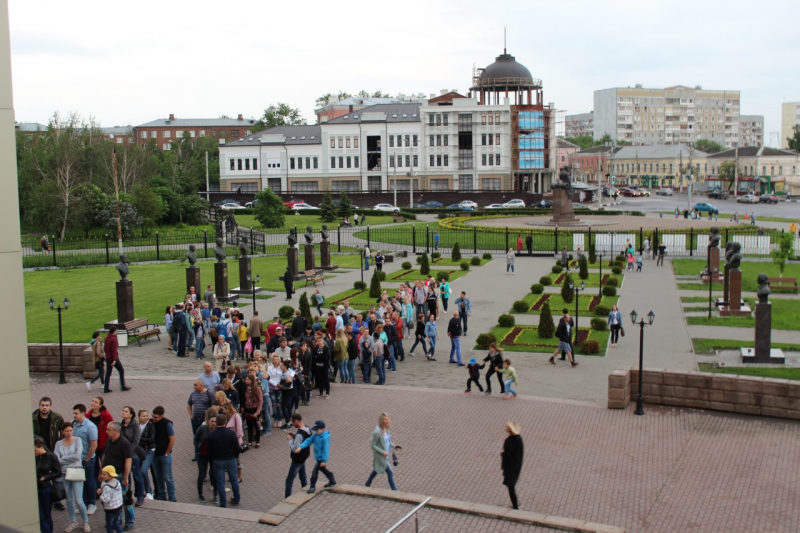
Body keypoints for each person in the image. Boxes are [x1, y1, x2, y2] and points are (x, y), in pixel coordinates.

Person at [54, 422, 90, 533]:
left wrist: (63, 458)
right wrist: (69, 458)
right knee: (69, 499)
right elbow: (56, 459)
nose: (69, 433)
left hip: (76, 472)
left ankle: (85, 522)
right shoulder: (58, 443)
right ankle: (73, 521)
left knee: (79, 500)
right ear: (62, 432)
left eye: (71, 431)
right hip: (64, 473)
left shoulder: (77, 440)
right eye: (66, 431)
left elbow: (78, 456)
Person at [99, 422, 134, 530]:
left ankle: (129, 521)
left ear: (116, 431)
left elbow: (128, 461)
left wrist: (125, 478)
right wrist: (101, 471)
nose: (106, 432)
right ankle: (116, 521)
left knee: (125, 500)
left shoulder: (124, 444)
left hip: (120, 475)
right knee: (113, 501)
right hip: (108, 477)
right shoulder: (108, 442)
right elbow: (104, 456)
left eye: (109, 430)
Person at [207, 414, 241, 508]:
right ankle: (236, 499)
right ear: (225, 422)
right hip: (230, 459)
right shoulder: (231, 433)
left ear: (216, 422)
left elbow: (209, 450)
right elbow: (237, 447)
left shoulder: (211, 434)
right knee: (234, 480)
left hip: (218, 460)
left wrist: (212, 460)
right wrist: (235, 456)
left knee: (220, 482)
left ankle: (223, 503)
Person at [295, 420, 336, 494]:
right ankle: (332, 479)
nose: (316, 431)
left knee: (314, 472)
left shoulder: (324, 438)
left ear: (322, 429)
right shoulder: (315, 435)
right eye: (315, 430)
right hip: (318, 457)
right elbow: (309, 441)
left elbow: (325, 450)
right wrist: (301, 447)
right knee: (324, 470)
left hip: (321, 459)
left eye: (317, 430)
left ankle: (312, 486)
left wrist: (323, 461)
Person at [72, 404, 99, 514]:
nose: (74, 415)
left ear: (83, 413)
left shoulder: (90, 426)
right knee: (80, 481)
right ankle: (83, 503)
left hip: (87, 459)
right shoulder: (73, 424)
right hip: (76, 459)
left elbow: (94, 445)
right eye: (73, 413)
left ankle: (92, 504)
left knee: (89, 481)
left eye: (76, 413)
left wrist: (87, 459)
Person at [365, 413, 401, 490]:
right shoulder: (377, 432)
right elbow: (373, 445)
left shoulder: (387, 429)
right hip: (380, 456)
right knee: (390, 472)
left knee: (377, 469)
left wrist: (394, 446)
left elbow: (387, 441)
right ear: (381, 421)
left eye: (388, 419)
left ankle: (368, 482)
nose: (387, 421)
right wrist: (382, 452)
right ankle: (395, 491)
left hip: (385, 455)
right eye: (385, 420)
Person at [119, 407, 145, 507]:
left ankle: (140, 496)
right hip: (124, 456)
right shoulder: (121, 425)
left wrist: (128, 451)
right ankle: (127, 496)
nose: (123, 412)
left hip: (133, 455)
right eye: (123, 411)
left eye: (126, 411)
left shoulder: (135, 426)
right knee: (126, 476)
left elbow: (136, 441)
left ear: (130, 415)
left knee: (137, 475)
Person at [35, 436, 61, 533]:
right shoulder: (35, 457)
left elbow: (58, 472)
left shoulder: (51, 456)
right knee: (40, 517)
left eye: (35, 450)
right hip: (36, 488)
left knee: (46, 515)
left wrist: (46, 477)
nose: (34, 452)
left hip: (46, 489)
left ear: (41, 447)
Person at [150, 406, 176, 502]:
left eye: (156, 417)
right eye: (153, 416)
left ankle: (172, 497)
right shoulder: (150, 423)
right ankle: (161, 495)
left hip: (164, 455)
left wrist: (167, 452)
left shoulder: (167, 424)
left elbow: (172, 439)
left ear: (161, 416)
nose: (153, 418)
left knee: (168, 477)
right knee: (158, 477)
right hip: (154, 455)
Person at [193, 410, 218, 503]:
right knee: (202, 474)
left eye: (215, 421)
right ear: (208, 421)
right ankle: (200, 494)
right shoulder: (203, 428)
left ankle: (215, 495)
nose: (213, 423)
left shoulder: (217, 430)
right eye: (212, 421)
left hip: (213, 456)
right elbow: (196, 438)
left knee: (214, 475)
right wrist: (197, 449)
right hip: (202, 454)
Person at [285, 413, 312, 497]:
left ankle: (287, 498)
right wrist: (294, 435)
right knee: (302, 476)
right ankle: (306, 491)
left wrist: (289, 440)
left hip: (298, 459)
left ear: (296, 421)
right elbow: (303, 440)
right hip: (304, 456)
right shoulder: (307, 429)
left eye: (293, 422)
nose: (293, 424)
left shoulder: (299, 434)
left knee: (289, 480)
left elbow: (295, 449)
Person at [501, 421, 524, 510]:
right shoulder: (519, 438)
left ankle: (515, 506)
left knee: (510, 486)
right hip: (516, 465)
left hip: (510, 467)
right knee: (511, 485)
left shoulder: (509, 441)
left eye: (506, 426)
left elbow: (507, 455)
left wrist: (503, 455)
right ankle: (516, 504)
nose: (505, 427)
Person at [103, 327, 131, 393]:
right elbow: (114, 350)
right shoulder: (113, 339)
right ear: (114, 331)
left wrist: (107, 355)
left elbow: (105, 348)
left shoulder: (106, 338)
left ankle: (106, 388)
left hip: (108, 358)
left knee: (108, 373)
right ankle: (123, 386)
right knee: (121, 370)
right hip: (113, 358)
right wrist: (114, 360)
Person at [97, 465, 124, 533]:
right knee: (116, 523)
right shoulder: (117, 482)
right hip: (118, 506)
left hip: (110, 509)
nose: (102, 476)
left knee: (109, 525)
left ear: (110, 475)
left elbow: (106, 499)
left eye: (104, 474)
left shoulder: (106, 487)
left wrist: (100, 494)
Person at [137, 410, 155, 501]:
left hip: (149, 450)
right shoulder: (137, 426)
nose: (145, 418)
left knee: (143, 470)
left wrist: (140, 439)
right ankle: (142, 491)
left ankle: (149, 492)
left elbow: (151, 439)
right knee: (138, 472)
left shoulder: (150, 425)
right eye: (143, 416)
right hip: (139, 451)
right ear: (139, 417)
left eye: (146, 415)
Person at [243, 374, 264, 447]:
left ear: (252, 380)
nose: (246, 381)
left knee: (256, 425)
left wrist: (257, 412)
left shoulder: (257, 388)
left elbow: (260, 401)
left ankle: (257, 442)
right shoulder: (245, 388)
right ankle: (250, 440)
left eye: (248, 379)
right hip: (247, 408)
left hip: (254, 408)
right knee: (249, 425)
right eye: (246, 379)